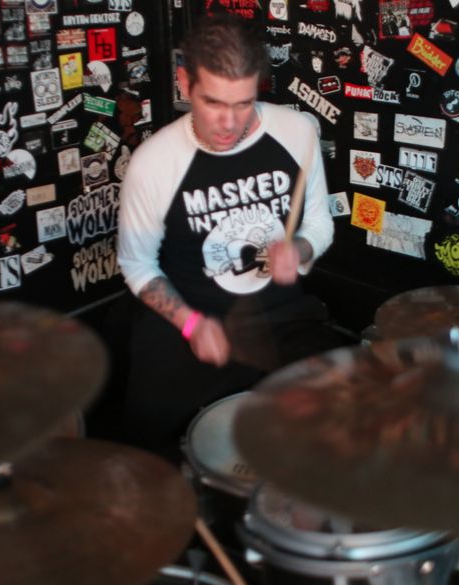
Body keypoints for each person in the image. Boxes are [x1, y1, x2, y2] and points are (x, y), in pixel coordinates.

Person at [117, 13, 338, 456]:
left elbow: (320, 223)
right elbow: (136, 264)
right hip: (191, 318)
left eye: (243, 103)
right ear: (185, 83)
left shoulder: (297, 133)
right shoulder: (153, 163)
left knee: (336, 418)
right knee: (147, 442)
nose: (229, 123)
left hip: (279, 316)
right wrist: (190, 323)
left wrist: (299, 248)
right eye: (213, 102)